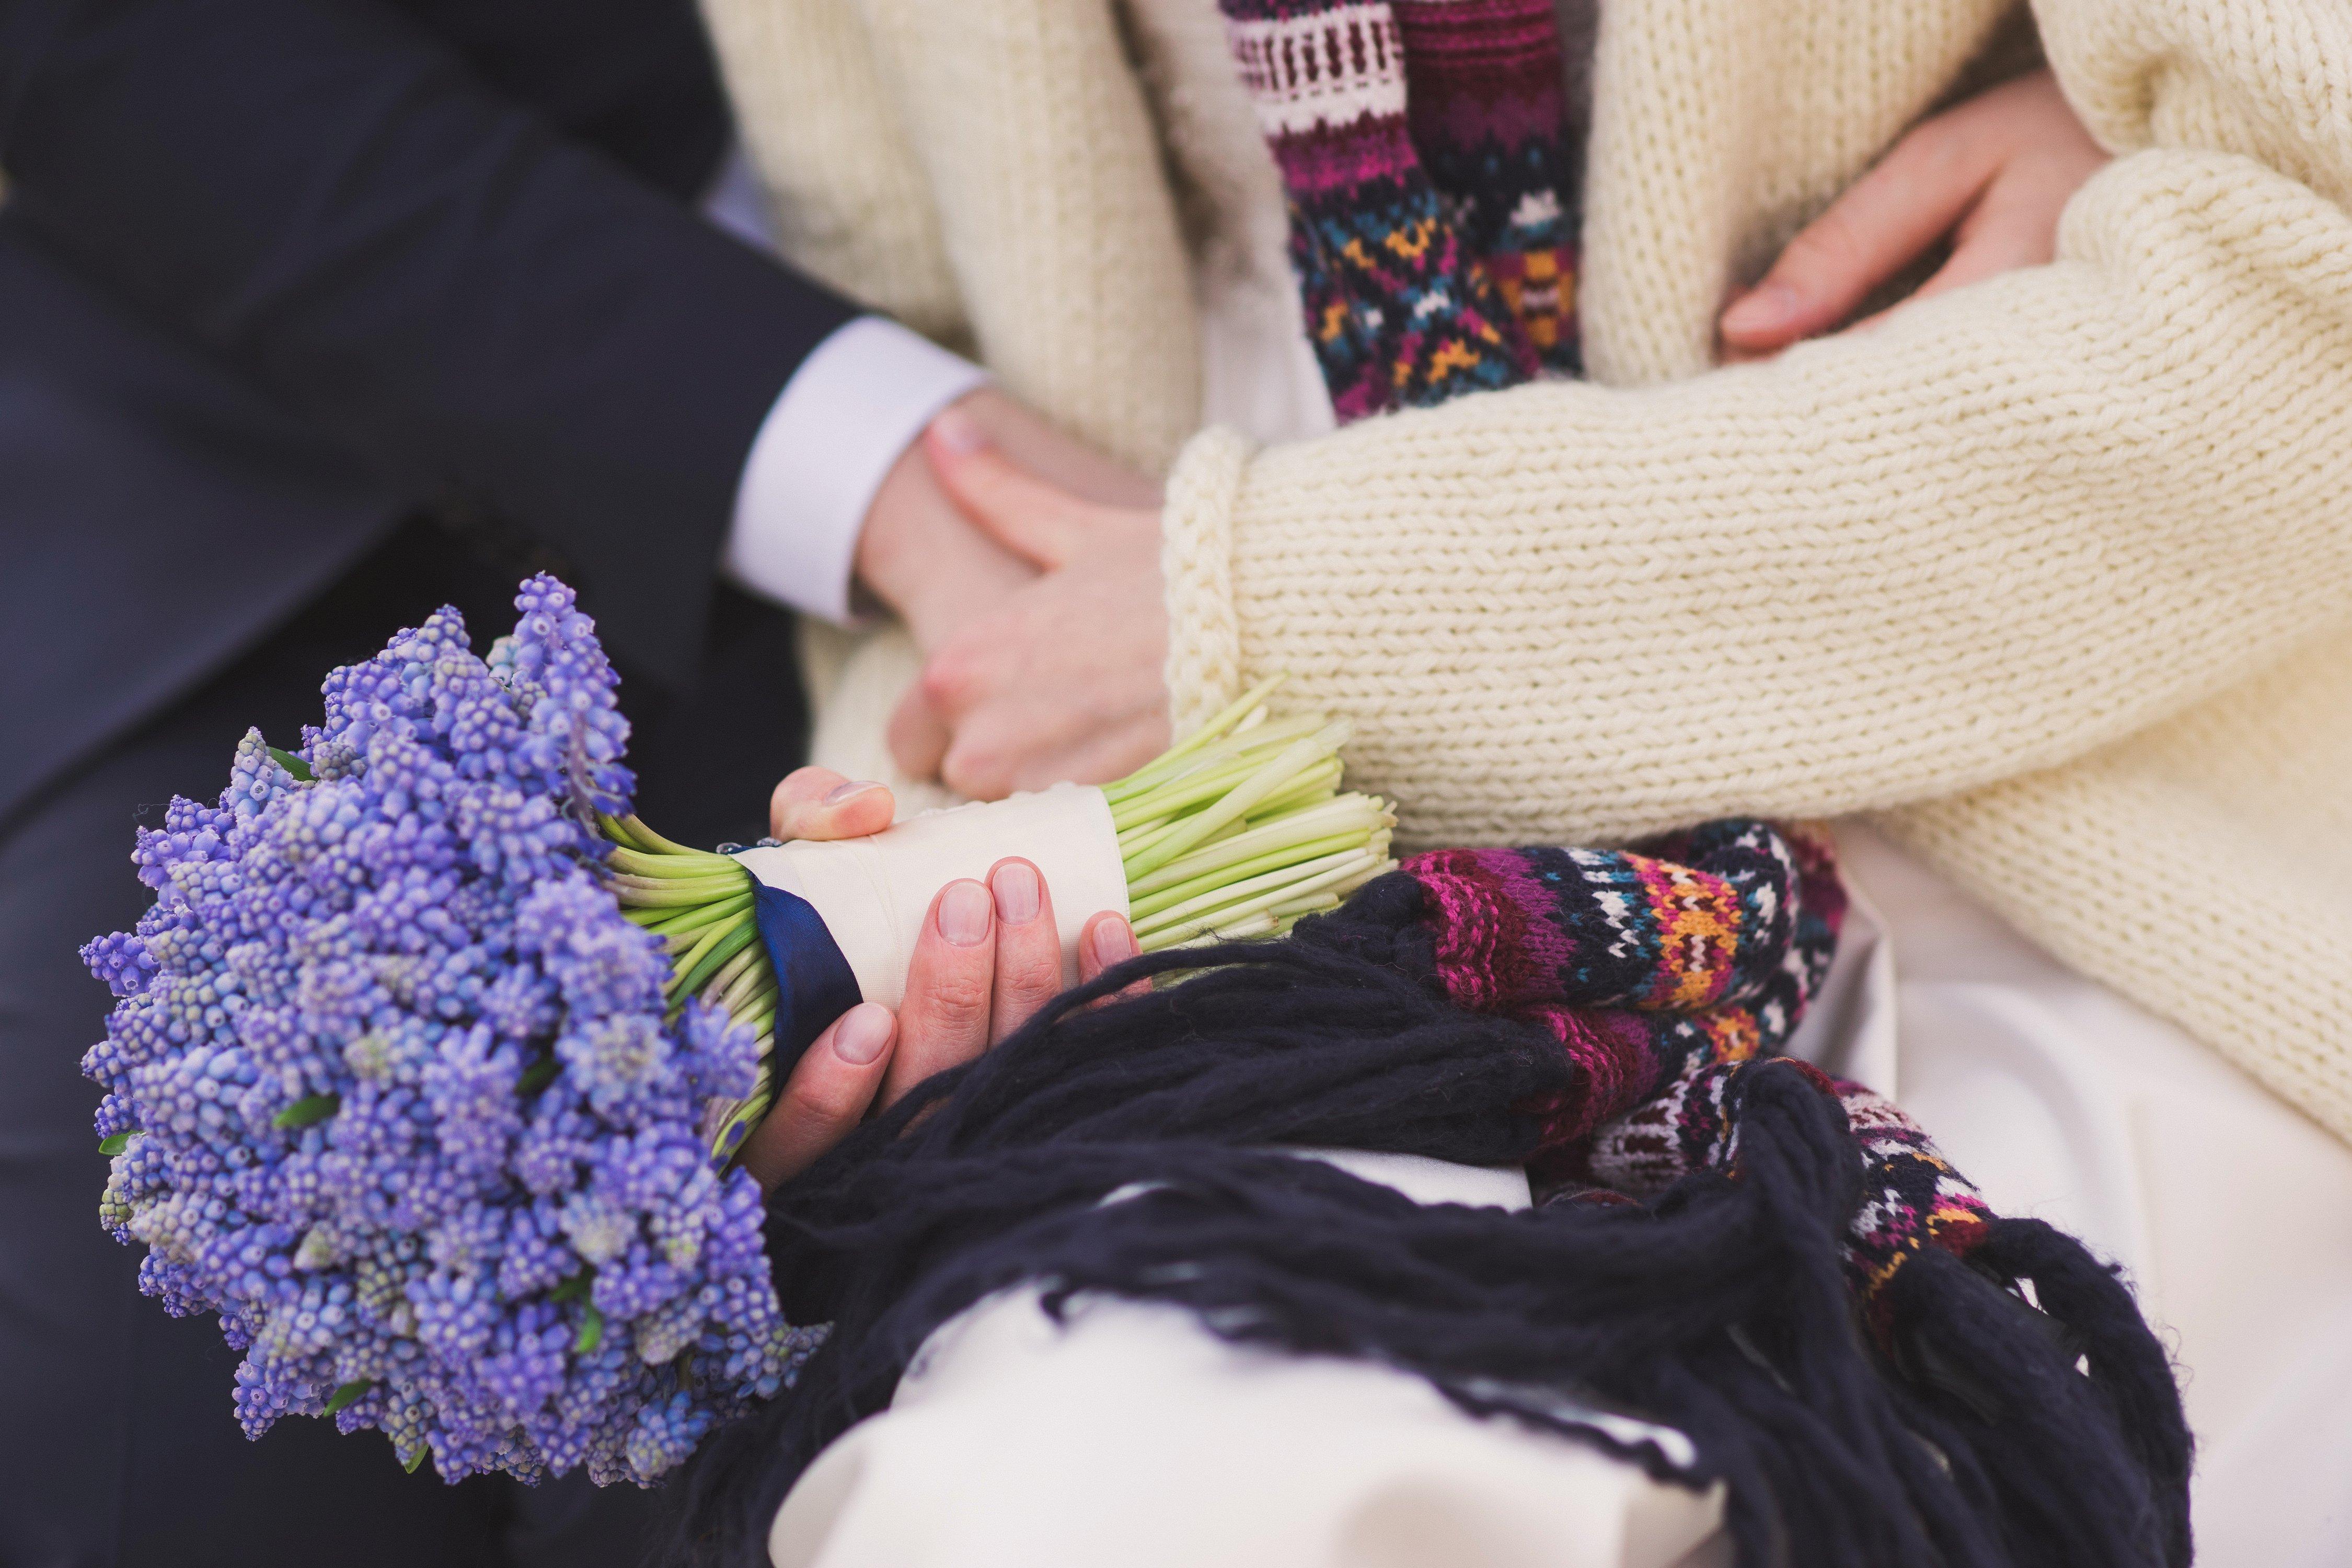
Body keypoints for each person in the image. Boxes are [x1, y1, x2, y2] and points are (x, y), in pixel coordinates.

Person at [691, 0, 2352, 1562]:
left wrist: (1294, 608)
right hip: (1188, 769)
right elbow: (921, 326)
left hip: (2038, 706)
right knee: (1086, 1483)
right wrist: (915, 892)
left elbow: (2305, 294)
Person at [0, 2, 1144, 1563]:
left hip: (1027, 460)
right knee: (175, 1448)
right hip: (264, 446)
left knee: (839, 1381)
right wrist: (862, 460)